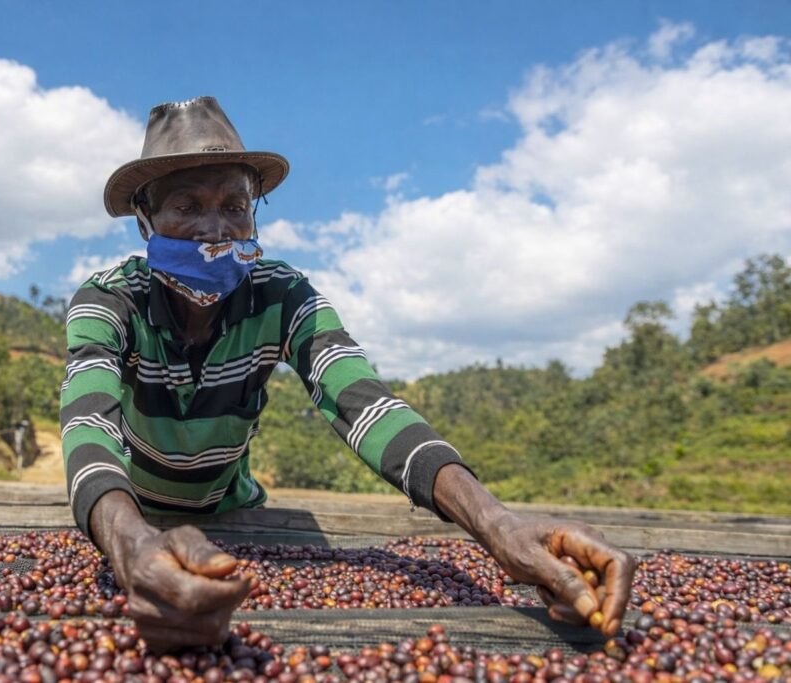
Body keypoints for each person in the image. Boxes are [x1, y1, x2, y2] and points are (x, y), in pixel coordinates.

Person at [61, 96, 635, 650]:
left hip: (236, 517)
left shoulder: (281, 294)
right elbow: (89, 425)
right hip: (129, 515)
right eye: (188, 208)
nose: (217, 230)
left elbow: (363, 403)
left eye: (234, 206)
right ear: (145, 221)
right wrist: (132, 543)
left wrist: (498, 525)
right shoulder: (110, 301)